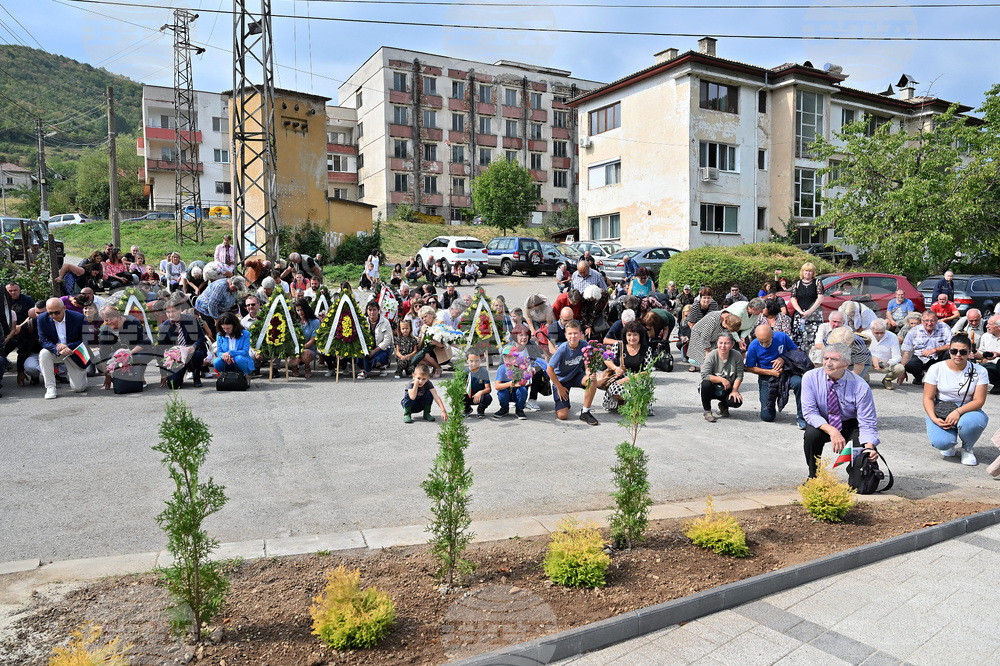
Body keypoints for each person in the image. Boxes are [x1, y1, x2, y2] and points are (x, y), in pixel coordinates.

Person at [800, 342, 880, 478]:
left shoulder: (860, 386)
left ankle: (857, 477)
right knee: (811, 435)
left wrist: (869, 447)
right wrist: (832, 430)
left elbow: (867, 422)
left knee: (864, 460)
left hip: (849, 423)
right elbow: (810, 413)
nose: (828, 363)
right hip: (824, 422)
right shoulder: (810, 377)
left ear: (846, 364)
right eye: (826, 358)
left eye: (834, 359)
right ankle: (814, 476)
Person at [922, 333, 990, 466]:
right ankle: (949, 443)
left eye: (963, 352)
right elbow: (928, 398)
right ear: (949, 351)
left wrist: (958, 412)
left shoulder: (980, 371)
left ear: (970, 352)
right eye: (954, 351)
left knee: (972, 423)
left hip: (968, 408)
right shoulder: (936, 368)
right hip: (942, 407)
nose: (958, 355)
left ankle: (967, 448)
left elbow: (979, 400)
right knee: (942, 442)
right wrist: (934, 418)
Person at [745, 324, 806, 428]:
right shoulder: (754, 345)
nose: (764, 344)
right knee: (767, 417)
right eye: (761, 342)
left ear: (772, 335)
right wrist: (770, 372)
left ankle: (801, 416)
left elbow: (796, 352)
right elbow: (749, 368)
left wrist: (783, 358)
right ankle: (771, 405)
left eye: (767, 341)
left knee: (799, 383)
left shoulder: (782, 337)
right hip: (766, 376)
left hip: (786, 372)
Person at [546, 320, 600, 425]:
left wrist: (589, 373)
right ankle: (563, 402)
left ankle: (585, 412)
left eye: (575, 333)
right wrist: (559, 387)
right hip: (561, 380)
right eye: (570, 333)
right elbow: (549, 369)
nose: (573, 336)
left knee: (592, 380)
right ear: (565, 335)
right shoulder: (562, 349)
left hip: (576, 376)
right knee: (562, 416)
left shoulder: (585, 345)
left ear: (581, 334)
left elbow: (587, 365)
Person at [37, 298, 89, 399]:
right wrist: (57, 348)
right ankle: (50, 387)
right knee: (44, 353)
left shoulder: (78, 318)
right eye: (50, 313)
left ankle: (81, 377)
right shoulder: (42, 318)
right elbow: (43, 340)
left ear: (64, 308)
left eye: (57, 312)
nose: (53, 315)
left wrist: (68, 346)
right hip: (56, 351)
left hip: (73, 352)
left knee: (79, 388)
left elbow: (86, 339)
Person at [602, 320, 653, 413]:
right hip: (621, 376)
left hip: (638, 378)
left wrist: (628, 379)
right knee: (615, 389)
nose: (632, 338)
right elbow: (607, 359)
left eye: (635, 335)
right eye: (629, 335)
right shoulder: (619, 345)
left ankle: (634, 404)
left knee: (638, 391)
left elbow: (647, 372)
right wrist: (615, 368)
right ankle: (621, 401)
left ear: (640, 335)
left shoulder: (646, 349)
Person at [158, 295, 209, 387]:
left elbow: (200, 338)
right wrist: (163, 373)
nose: (170, 314)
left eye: (173, 311)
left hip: (192, 352)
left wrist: (194, 347)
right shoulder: (163, 328)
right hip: (176, 357)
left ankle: (196, 377)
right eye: (168, 312)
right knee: (173, 384)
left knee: (197, 354)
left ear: (180, 310)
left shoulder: (191, 319)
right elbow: (161, 351)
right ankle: (180, 373)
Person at [97, 304, 153, 385]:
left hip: (138, 350)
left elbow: (145, 341)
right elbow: (104, 352)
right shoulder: (105, 330)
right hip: (119, 352)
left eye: (111, 319)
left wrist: (130, 352)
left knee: (137, 357)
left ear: (118, 317)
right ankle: (122, 379)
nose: (109, 322)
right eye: (106, 320)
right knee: (109, 358)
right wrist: (107, 375)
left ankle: (139, 376)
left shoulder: (132, 322)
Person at [700, 332, 745, 422]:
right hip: (712, 386)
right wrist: (721, 379)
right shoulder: (711, 355)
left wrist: (735, 390)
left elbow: (739, 375)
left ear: (732, 344)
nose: (723, 346)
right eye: (720, 343)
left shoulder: (737, 355)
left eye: (726, 343)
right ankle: (707, 411)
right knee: (705, 384)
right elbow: (704, 375)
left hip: (727, 387)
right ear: (717, 343)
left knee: (736, 401)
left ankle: (724, 405)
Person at [901, 310, 953, 385]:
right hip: (921, 357)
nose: (929, 323)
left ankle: (943, 379)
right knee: (910, 365)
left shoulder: (944, 327)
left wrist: (935, 350)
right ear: (922, 321)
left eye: (932, 320)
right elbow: (907, 351)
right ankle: (918, 378)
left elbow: (951, 345)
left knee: (950, 353)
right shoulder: (913, 331)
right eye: (926, 321)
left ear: (937, 320)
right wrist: (902, 371)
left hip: (939, 357)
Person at [788, 262, 825, 359]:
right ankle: (800, 359)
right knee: (799, 336)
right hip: (800, 314)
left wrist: (810, 311)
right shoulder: (797, 284)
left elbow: (820, 297)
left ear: (813, 273)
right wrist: (800, 311)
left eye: (810, 271)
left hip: (814, 314)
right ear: (802, 272)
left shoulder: (817, 282)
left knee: (813, 337)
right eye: (806, 271)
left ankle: (813, 359)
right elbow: (793, 298)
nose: (807, 273)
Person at [493, 344, 531, 420]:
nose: (507, 358)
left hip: (517, 391)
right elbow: (497, 386)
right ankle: (504, 408)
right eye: (505, 356)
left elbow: (526, 382)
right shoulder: (501, 368)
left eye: (510, 356)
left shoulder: (521, 367)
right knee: (502, 392)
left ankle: (519, 409)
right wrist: (510, 384)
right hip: (507, 391)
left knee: (523, 390)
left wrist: (523, 380)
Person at [358, 299, 393, 379]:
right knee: (359, 354)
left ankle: (382, 366)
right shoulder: (363, 322)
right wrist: (366, 349)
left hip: (380, 348)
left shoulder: (385, 322)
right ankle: (363, 370)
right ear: (367, 311)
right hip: (367, 348)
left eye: (374, 310)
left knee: (381, 357)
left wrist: (374, 351)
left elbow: (387, 340)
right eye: (370, 310)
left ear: (378, 310)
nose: (372, 312)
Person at [213, 312, 254, 376]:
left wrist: (230, 353)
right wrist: (225, 356)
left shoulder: (245, 334)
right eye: (224, 328)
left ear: (234, 326)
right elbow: (219, 352)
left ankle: (245, 375)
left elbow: (245, 352)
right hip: (226, 361)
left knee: (239, 359)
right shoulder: (219, 335)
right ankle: (223, 375)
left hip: (240, 359)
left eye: (228, 328)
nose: (226, 330)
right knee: (216, 361)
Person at [868, 319, 905, 390]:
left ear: (885, 329)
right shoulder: (865, 335)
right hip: (868, 363)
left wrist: (887, 363)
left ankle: (887, 380)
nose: (879, 335)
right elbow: (860, 354)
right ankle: (864, 379)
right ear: (871, 330)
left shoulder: (893, 336)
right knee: (859, 363)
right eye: (876, 333)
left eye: (882, 332)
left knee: (900, 368)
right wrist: (873, 358)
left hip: (886, 364)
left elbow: (897, 356)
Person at [289, 298, 320, 379]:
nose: (300, 312)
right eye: (298, 310)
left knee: (305, 353)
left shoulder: (315, 322)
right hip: (295, 349)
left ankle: (307, 366)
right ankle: (294, 367)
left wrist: (301, 348)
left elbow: (313, 339)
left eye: (302, 310)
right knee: (292, 360)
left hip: (309, 349)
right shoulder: (294, 321)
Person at [461, 351, 493, 417]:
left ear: (481, 360)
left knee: (488, 397)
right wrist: (463, 389)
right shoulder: (464, 372)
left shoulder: (484, 372)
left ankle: (481, 409)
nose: (474, 363)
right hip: (468, 395)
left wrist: (480, 392)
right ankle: (467, 408)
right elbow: (460, 386)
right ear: (467, 360)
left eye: (477, 361)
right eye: (471, 361)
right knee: (459, 396)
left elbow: (488, 389)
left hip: (479, 396)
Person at [974, 314, 1000, 393]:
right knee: (977, 368)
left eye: (990, 324)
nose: (987, 326)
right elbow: (981, 353)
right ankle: (998, 385)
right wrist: (974, 355)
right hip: (991, 365)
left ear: (999, 327)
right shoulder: (985, 336)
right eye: (987, 323)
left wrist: (998, 354)